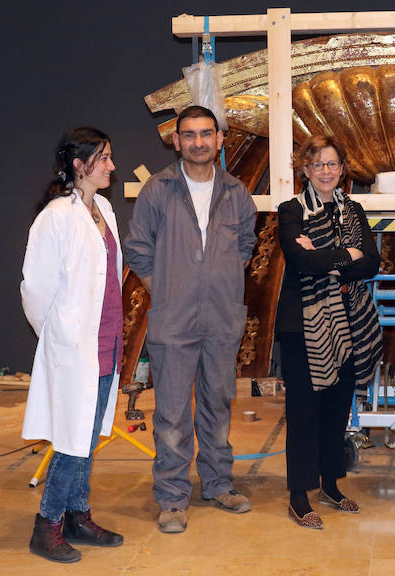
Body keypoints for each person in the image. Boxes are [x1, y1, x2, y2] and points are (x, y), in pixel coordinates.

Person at [123, 105, 257, 534]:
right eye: (189, 135)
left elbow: (246, 246)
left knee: (218, 405)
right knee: (173, 412)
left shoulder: (237, 192)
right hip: (173, 320)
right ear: (176, 140)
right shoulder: (158, 191)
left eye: (206, 134)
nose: (198, 142)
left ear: (220, 139)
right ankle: (172, 497)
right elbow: (138, 248)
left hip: (222, 320)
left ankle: (217, 484)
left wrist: (217, 285)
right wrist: (167, 291)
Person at [21, 127, 124, 562]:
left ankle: (77, 516)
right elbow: (35, 290)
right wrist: (59, 337)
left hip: (107, 342)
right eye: (103, 159)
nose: (112, 167)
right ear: (79, 166)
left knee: (88, 436)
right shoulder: (55, 217)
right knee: (70, 439)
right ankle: (46, 525)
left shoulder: (103, 208)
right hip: (73, 349)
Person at [276, 134, 383, 529]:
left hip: (350, 321)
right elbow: (301, 263)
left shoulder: (353, 210)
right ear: (304, 169)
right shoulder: (290, 211)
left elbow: (371, 262)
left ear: (342, 169)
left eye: (333, 164)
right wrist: (344, 256)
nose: (326, 171)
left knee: (338, 409)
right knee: (303, 412)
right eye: (317, 164)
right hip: (303, 326)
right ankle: (299, 495)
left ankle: (330, 485)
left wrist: (327, 259)